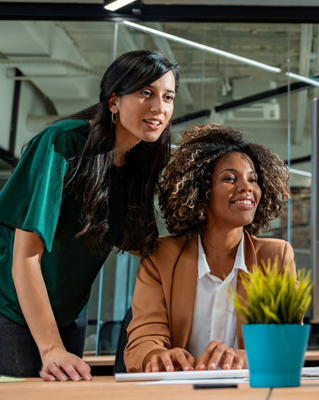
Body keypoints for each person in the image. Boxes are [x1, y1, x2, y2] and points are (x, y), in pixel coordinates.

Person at [0, 50, 180, 381]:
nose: (159, 107)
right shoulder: (63, 144)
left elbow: (143, 246)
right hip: (11, 306)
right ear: (114, 101)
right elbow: (25, 258)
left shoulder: (137, 163)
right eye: (145, 93)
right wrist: (51, 347)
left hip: (69, 311)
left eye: (168, 97)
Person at [125, 123, 296, 373]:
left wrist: (242, 357)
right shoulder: (161, 257)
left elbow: (285, 344)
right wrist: (157, 356)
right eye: (229, 178)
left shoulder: (276, 257)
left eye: (253, 179)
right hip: (178, 392)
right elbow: (143, 337)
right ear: (201, 190)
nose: (246, 187)